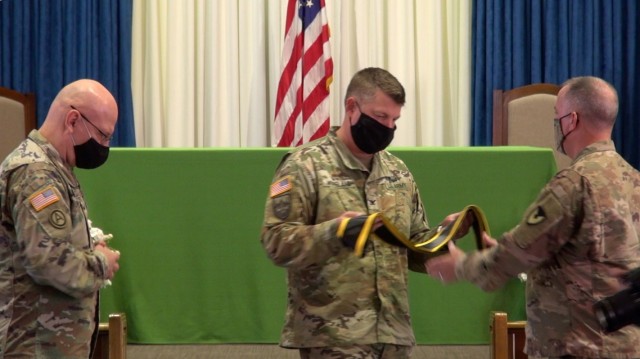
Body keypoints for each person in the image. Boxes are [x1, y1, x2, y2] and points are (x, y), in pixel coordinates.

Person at [426, 76, 640, 359]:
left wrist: (462, 265)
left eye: (556, 116)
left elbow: (518, 252)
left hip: (577, 346)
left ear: (571, 120)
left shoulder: (574, 183)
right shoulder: (634, 179)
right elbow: (590, 260)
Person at [261, 67, 440, 359]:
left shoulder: (398, 172)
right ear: (351, 108)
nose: (388, 127)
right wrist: (334, 232)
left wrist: (442, 242)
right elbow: (275, 241)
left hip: (394, 333)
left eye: (395, 120)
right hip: (334, 336)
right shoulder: (303, 166)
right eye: (381, 117)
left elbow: (413, 241)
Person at [0, 79, 122, 358]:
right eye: (102, 136)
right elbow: (46, 260)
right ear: (73, 120)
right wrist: (101, 263)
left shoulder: (54, 167)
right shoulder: (37, 175)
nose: (104, 146)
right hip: (34, 344)